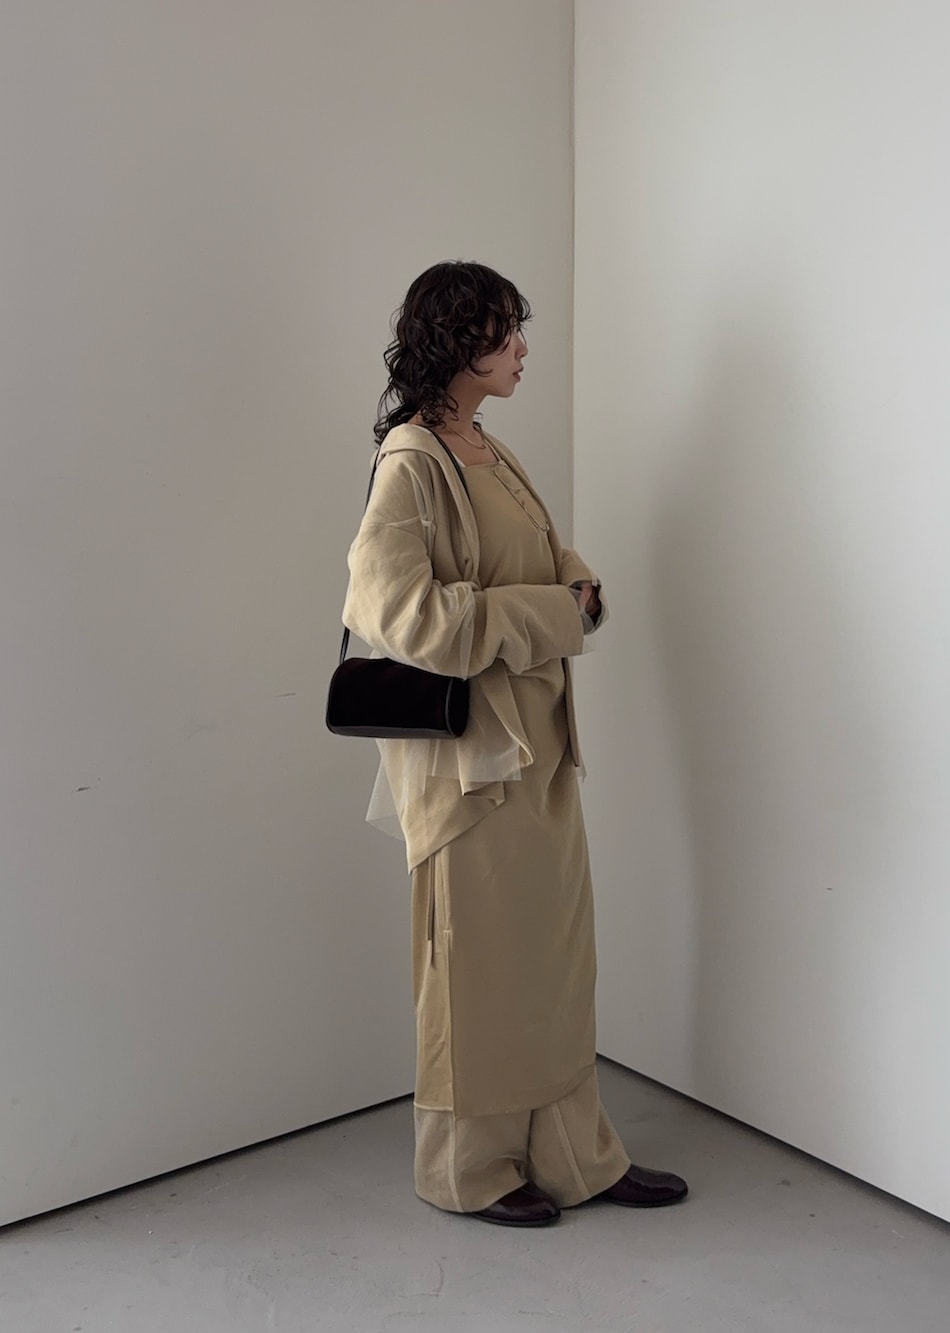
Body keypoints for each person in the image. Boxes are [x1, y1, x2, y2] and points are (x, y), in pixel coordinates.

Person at [342, 260, 688, 1227]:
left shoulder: (484, 445)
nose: (523, 349)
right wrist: (558, 612)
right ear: (458, 342)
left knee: (554, 959)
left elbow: (535, 555)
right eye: (505, 332)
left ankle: (577, 1156)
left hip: (536, 744)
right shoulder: (413, 463)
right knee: (478, 971)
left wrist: (579, 584)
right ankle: (468, 1169)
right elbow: (408, 617)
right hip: (472, 768)